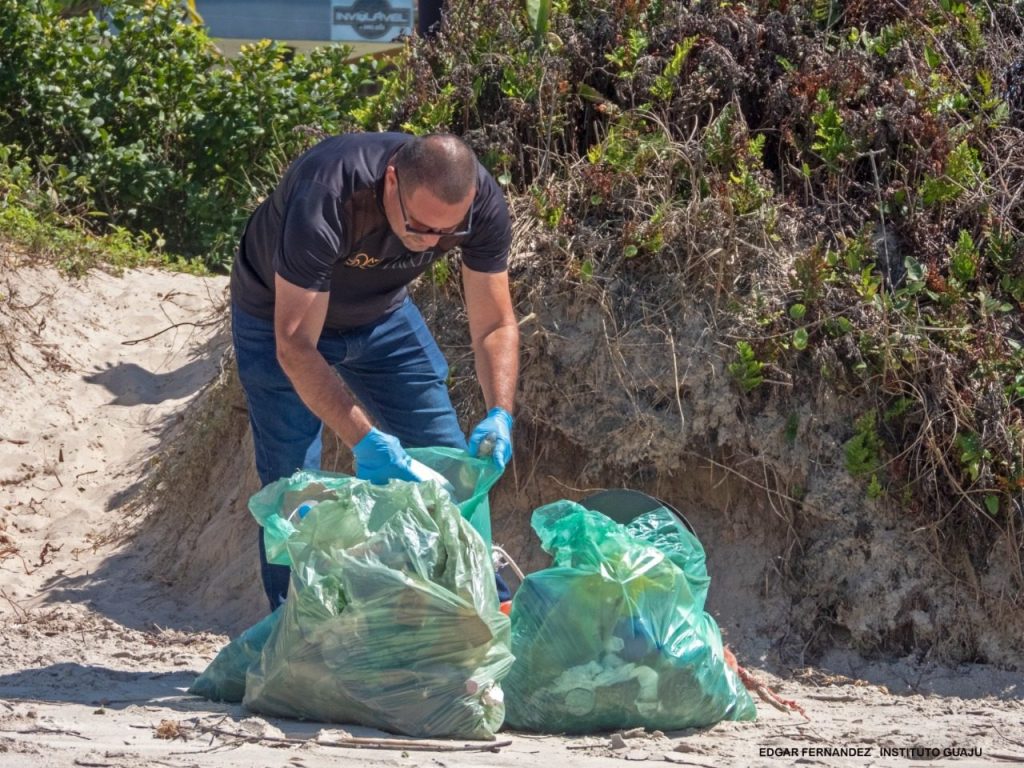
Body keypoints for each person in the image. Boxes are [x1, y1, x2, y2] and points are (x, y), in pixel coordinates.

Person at [229, 132, 519, 611]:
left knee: (449, 463)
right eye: (420, 226)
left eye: (446, 234)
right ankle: (297, 634)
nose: (431, 242)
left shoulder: (480, 203)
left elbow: (494, 322)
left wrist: (500, 413)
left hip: (383, 317)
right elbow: (296, 346)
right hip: (277, 319)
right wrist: (364, 440)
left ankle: (485, 616)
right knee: (295, 484)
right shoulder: (328, 192)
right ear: (390, 182)